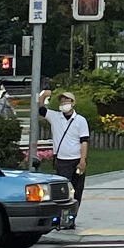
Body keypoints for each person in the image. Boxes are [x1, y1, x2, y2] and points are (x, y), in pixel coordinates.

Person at [38, 88, 89, 227]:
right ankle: (61, 218)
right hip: (62, 161)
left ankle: (71, 219)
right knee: (63, 192)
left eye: (67, 101)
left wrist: (82, 161)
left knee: (77, 191)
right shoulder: (55, 117)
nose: (64, 104)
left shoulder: (80, 120)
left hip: (76, 160)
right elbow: (41, 110)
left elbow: (84, 142)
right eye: (62, 101)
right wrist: (43, 96)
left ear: (73, 103)